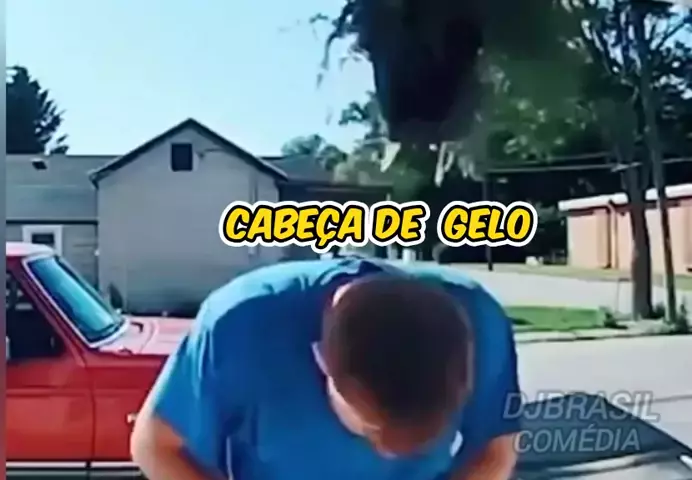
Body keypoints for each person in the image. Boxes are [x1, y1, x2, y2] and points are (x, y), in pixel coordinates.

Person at [130, 257, 522, 480]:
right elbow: (154, 444)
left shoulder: (481, 322)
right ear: (322, 363)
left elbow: (494, 451)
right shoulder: (240, 325)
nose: (389, 457)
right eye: (371, 430)